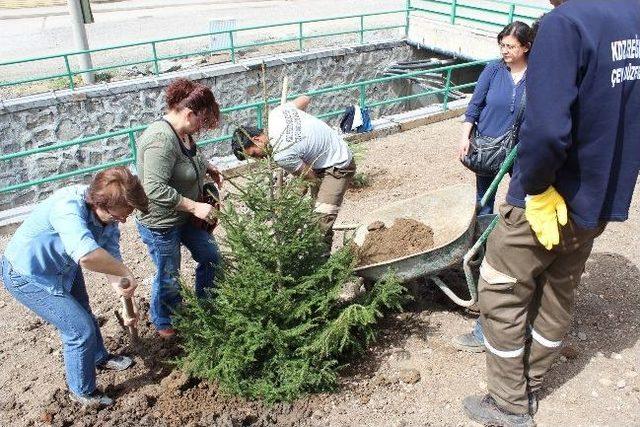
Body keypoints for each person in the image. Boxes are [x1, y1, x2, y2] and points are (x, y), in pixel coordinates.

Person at [463, 1, 640, 426]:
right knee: (560, 288)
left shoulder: (564, 25)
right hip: (596, 197)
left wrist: (538, 189)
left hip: (548, 197)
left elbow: (545, 129)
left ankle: (508, 403)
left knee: (501, 289)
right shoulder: (632, 16)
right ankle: (534, 380)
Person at [1, 167, 148, 407]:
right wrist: (124, 272)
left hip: (64, 266)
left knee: (85, 311)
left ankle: (100, 358)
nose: (121, 221)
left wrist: (121, 286)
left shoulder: (108, 218)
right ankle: (83, 392)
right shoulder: (67, 207)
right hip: (29, 274)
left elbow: (110, 256)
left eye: (125, 217)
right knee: (79, 330)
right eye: (118, 217)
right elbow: (88, 257)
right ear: (99, 204)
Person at [135, 78, 223, 338]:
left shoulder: (184, 133)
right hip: (161, 222)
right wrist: (194, 206)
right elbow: (153, 188)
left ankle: (207, 307)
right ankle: (164, 322)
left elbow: (191, 157)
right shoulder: (159, 140)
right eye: (201, 120)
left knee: (211, 256)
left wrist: (207, 167)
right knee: (169, 272)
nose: (202, 127)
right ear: (188, 113)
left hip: (186, 217)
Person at [232, 95, 355, 246]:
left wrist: (291, 198)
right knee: (315, 213)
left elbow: (311, 177)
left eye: (255, 154)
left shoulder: (281, 155)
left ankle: (322, 265)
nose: (260, 159)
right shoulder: (276, 114)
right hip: (328, 152)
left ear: (257, 139)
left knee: (321, 220)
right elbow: (305, 99)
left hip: (339, 164)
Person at [458, 21, 532, 216]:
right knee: (484, 201)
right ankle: (482, 243)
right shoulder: (493, 70)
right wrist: (465, 137)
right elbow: (474, 106)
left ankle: (517, 241)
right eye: (502, 45)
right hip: (488, 146)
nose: (505, 51)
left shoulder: (536, 75)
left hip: (520, 149)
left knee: (523, 201)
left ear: (526, 47)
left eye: (511, 46)